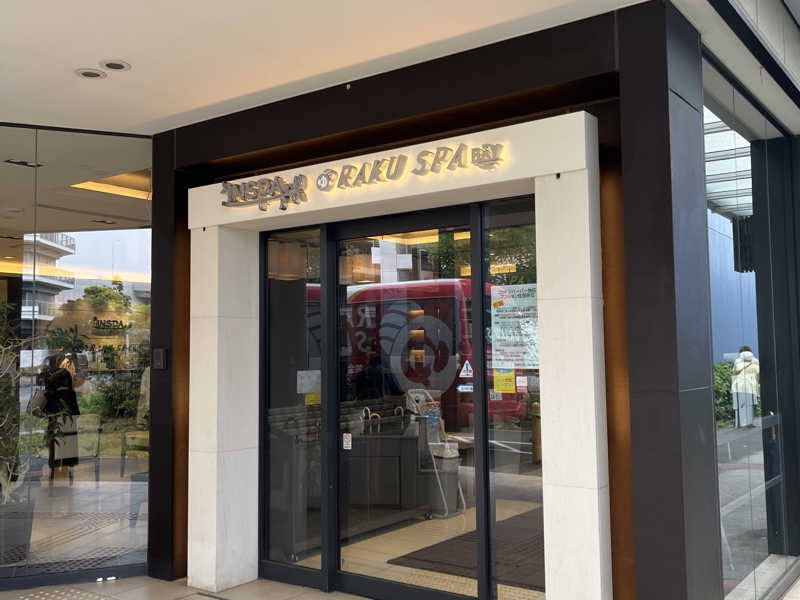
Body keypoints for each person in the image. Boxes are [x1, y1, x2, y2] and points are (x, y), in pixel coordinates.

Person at [40, 357, 80, 474]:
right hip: (67, 410)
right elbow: (71, 390)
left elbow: (47, 392)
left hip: (56, 410)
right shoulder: (64, 374)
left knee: (55, 437)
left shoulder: (52, 375)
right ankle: (67, 463)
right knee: (68, 437)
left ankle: (55, 464)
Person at [731, 345, 760, 428]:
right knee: (751, 404)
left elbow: (734, 372)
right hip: (751, 384)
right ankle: (751, 422)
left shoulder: (737, 361)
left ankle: (739, 423)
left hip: (739, 385)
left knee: (740, 404)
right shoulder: (755, 360)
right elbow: (758, 373)